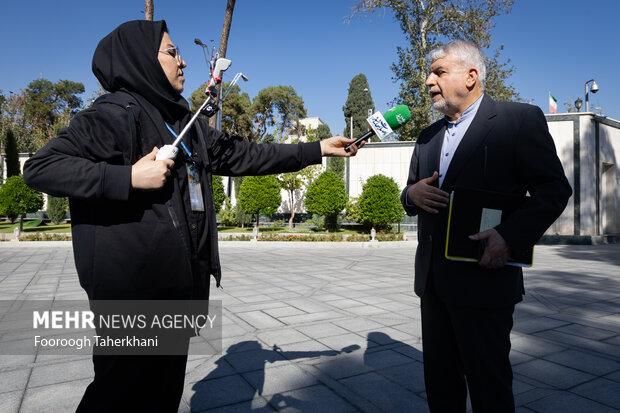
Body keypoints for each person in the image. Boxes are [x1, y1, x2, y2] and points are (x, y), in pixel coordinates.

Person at [23, 20, 360, 413]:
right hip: (133, 293)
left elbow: (246, 154)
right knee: (118, 393)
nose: (183, 62)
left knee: (161, 393)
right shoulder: (114, 114)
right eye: (172, 52)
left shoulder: (184, 123)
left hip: (176, 286)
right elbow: (42, 168)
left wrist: (318, 148)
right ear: (140, 62)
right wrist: (128, 177)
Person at [401, 40, 572, 412]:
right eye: (430, 73)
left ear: (471, 76)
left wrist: (509, 237)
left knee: (488, 385)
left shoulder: (519, 120)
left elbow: (554, 190)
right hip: (432, 284)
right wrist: (409, 195)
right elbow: (412, 191)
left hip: (485, 279)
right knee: (440, 384)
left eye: (439, 72)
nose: (428, 80)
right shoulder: (426, 136)